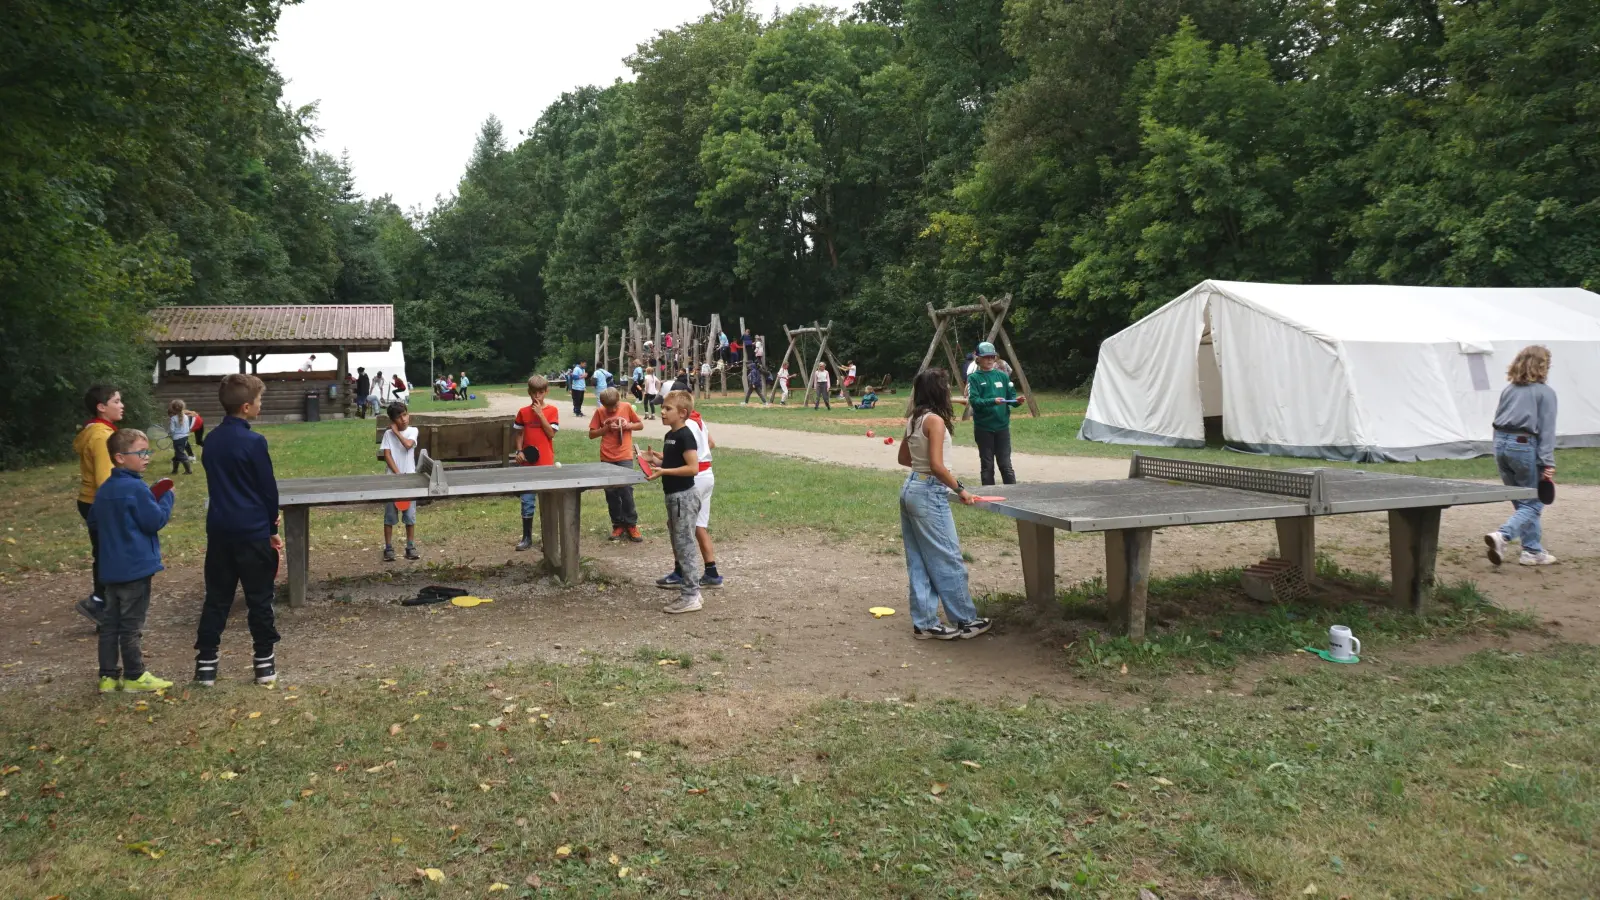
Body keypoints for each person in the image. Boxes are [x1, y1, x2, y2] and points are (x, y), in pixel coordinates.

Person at [194, 373, 283, 687]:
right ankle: (264, 663)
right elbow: (267, 489)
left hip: (219, 531)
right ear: (247, 407)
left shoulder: (213, 441)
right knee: (259, 598)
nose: (261, 406)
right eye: (259, 401)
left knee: (217, 598)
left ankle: (206, 664)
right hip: (252, 532)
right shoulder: (254, 442)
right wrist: (272, 524)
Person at [897, 369, 991, 640]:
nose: (950, 391)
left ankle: (925, 623)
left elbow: (905, 458)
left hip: (911, 487)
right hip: (929, 492)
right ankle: (965, 620)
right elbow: (938, 466)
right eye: (947, 387)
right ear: (938, 391)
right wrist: (960, 489)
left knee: (919, 560)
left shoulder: (915, 419)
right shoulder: (935, 421)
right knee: (948, 557)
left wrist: (923, 464)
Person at [89, 428, 177, 693]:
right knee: (131, 625)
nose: (146, 457)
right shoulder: (136, 488)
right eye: (140, 452)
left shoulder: (105, 489)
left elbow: (93, 521)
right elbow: (155, 521)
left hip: (110, 568)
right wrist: (166, 499)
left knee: (109, 624)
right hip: (135, 568)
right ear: (119, 457)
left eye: (147, 451)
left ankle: (107, 677)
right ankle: (134, 676)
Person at [1484, 345, 1558, 567]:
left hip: (1501, 445)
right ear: (1543, 365)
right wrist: (1547, 462)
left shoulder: (1509, 390)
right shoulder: (1545, 393)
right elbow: (1547, 430)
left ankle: (1532, 551)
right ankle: (1503, 536)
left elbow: (1496, 420)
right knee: (1534, 503)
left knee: (1521, 501)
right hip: (1525, 445)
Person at [640, 391, 704, 614]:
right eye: (663, 408)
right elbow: (672, 460)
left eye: (668, 409)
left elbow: (693, 468)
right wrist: (655, 459)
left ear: (683, 413)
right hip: (673, 497)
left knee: (685, 545)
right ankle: (692, 591)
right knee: (679, 544)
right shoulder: (670, 436)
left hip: (683, 498)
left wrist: (664, 470)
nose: (662, 411)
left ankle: (691, 596)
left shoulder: (686, 435)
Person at [74, 384, 123, 624]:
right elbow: (105, 480)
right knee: (109, 555)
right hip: (99, 502)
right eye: (116, 401)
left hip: (90, 501)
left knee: (104, 553)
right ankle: (101, 605)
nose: (121, 405)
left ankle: (103, 603)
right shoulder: (101, 436)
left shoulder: (96, 432)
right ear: (101, 407)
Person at [659, 406, 722, 589]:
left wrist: (671, 464)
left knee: (681, 528)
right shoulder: (699, 419)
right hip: (707, 474)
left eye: (668, 406)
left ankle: (682, 575)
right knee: (698, 526)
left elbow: (690, 453)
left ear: (681, 409)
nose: (663, 410)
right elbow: (710, 444)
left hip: (696, 478)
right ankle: (711, 572)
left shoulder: (687, 426)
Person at [588, 387, 644, 542]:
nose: (612, 410)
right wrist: (605, 429)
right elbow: (591, 434)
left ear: (619, 400)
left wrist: (627, 426)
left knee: (626, 489)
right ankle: (617, 524)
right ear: (603, 404)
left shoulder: (626, 407)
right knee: (611, 492)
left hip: (624, 455)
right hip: (607, 456)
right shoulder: (600, 412)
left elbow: (640, 425)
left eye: (614, 406)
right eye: (609, 407)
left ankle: (631, 524)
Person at [512, 375, 560, 552]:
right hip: (527, 465)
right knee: (527, 500)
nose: (537, 397)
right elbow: (518, 434)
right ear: (529, 393)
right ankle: (527, 537)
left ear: (546, 391)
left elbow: (551, 434)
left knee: (547, 501)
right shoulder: (523, 412)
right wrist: (519, 451)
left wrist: (540, 414)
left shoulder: (552, 410)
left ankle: (550, 538)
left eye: (541, 392)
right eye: (534, 393)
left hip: (546, 463)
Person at [968, 341, 1023, 486]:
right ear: (978, 358)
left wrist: (1017, 401)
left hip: (1002, 427)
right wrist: (993, 401)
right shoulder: (974, 378)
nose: (990, 360)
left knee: (1006, 465)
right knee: (987, 466)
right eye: (986, 357)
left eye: (992, 357)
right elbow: (974, 401)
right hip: (983, 428)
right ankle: (988, 501)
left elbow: (1010, 399)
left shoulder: (1003, 376)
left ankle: (1014, 498)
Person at [380, 401, 421, 562]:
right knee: (389, 515)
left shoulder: (413, 431)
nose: (403, 419)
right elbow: (387, 455)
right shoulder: (387, 435)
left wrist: (396, 433)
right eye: (399, 417)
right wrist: (397, 474)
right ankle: (388, 547)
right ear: (392, 420)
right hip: (392, 480)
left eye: (405, 414)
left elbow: (408, 445)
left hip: (409, 479)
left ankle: (410, 546)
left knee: (410, 515)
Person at [167, 399, 197, 475]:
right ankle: (175, 471)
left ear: (173, 409)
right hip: (185, 437)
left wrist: (170, 433)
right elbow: (187, 428)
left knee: (180, 454)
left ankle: (188, 471)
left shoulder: (173, 418)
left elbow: (172, 430)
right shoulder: (186, 417)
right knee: (177, 454)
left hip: (177, 439)